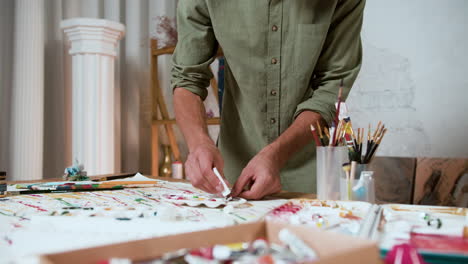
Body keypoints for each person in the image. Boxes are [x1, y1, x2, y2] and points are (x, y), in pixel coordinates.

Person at [171, 0, 365, 199]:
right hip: (236, 174)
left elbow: (331, 89)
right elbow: (187, 77)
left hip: (315, 174)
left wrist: (277, 154)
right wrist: (198, 143)